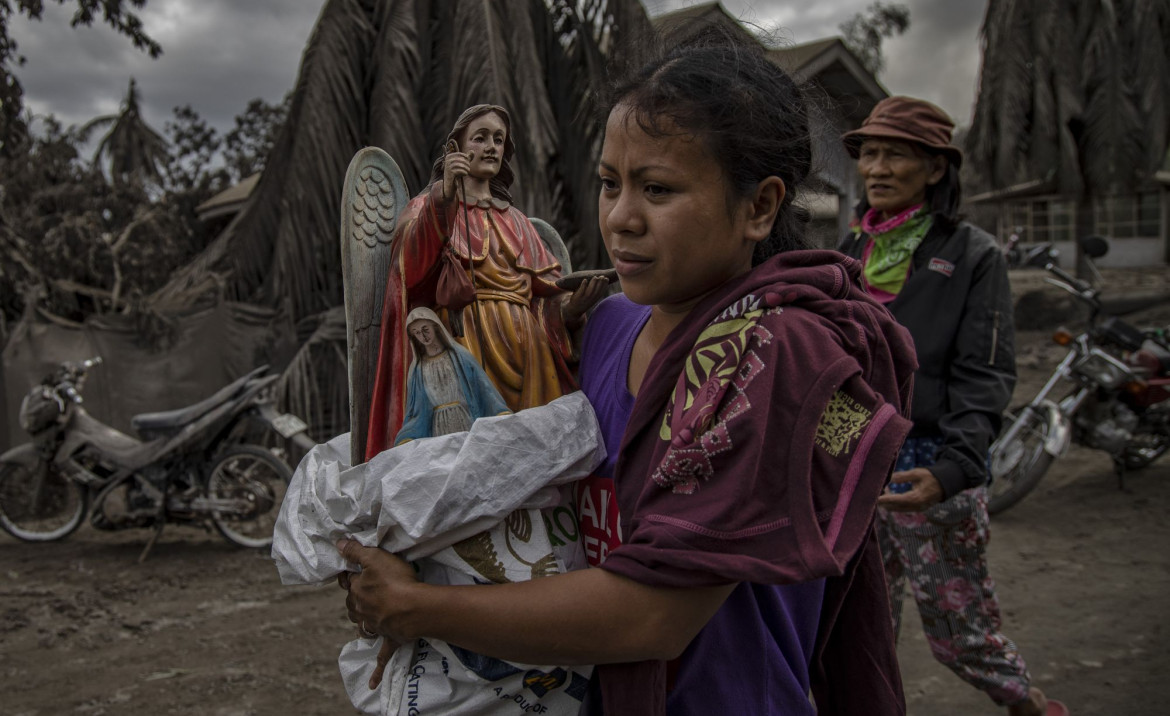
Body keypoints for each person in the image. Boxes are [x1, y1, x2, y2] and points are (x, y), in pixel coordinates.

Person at [337, 43, 920, 715]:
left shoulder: (776, 357)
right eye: (611, 183)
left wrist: (420, 608)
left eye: (659, 189)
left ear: (759, 207)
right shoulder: (607, 325)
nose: (619, 217)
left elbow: (655, 616)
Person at [837, 96, 1068, 716]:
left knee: (960, 632)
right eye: (869, 153)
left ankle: (1029, 705)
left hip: (928, 465)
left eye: (896, 154)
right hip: (856, 464)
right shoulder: (851, 249)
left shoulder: (972, 255)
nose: (876, 168)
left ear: (936, 169)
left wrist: (954, 469)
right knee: (858, 630)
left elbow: (986, 372)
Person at [365, 104, 589, 460]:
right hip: (466, 344)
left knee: (533, 462)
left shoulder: (517, 221)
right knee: (474, 464)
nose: (491, 147)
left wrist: (574, 307)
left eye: (498, 140)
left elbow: (547, 294)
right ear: (455, 147)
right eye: (480, 138)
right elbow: (407, 271)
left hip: (529, 353)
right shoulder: (429, 205)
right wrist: (446, 196)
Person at [394, 307, 510, 445]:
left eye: (425, 329)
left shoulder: (460, 356)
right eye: (417, 333)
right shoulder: (417, 369)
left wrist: (499, 411)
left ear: (435, 327)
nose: (423, 336)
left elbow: (483, 387)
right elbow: (416, 409)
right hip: (437, 427)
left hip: (465, 418)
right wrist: (409, 434)